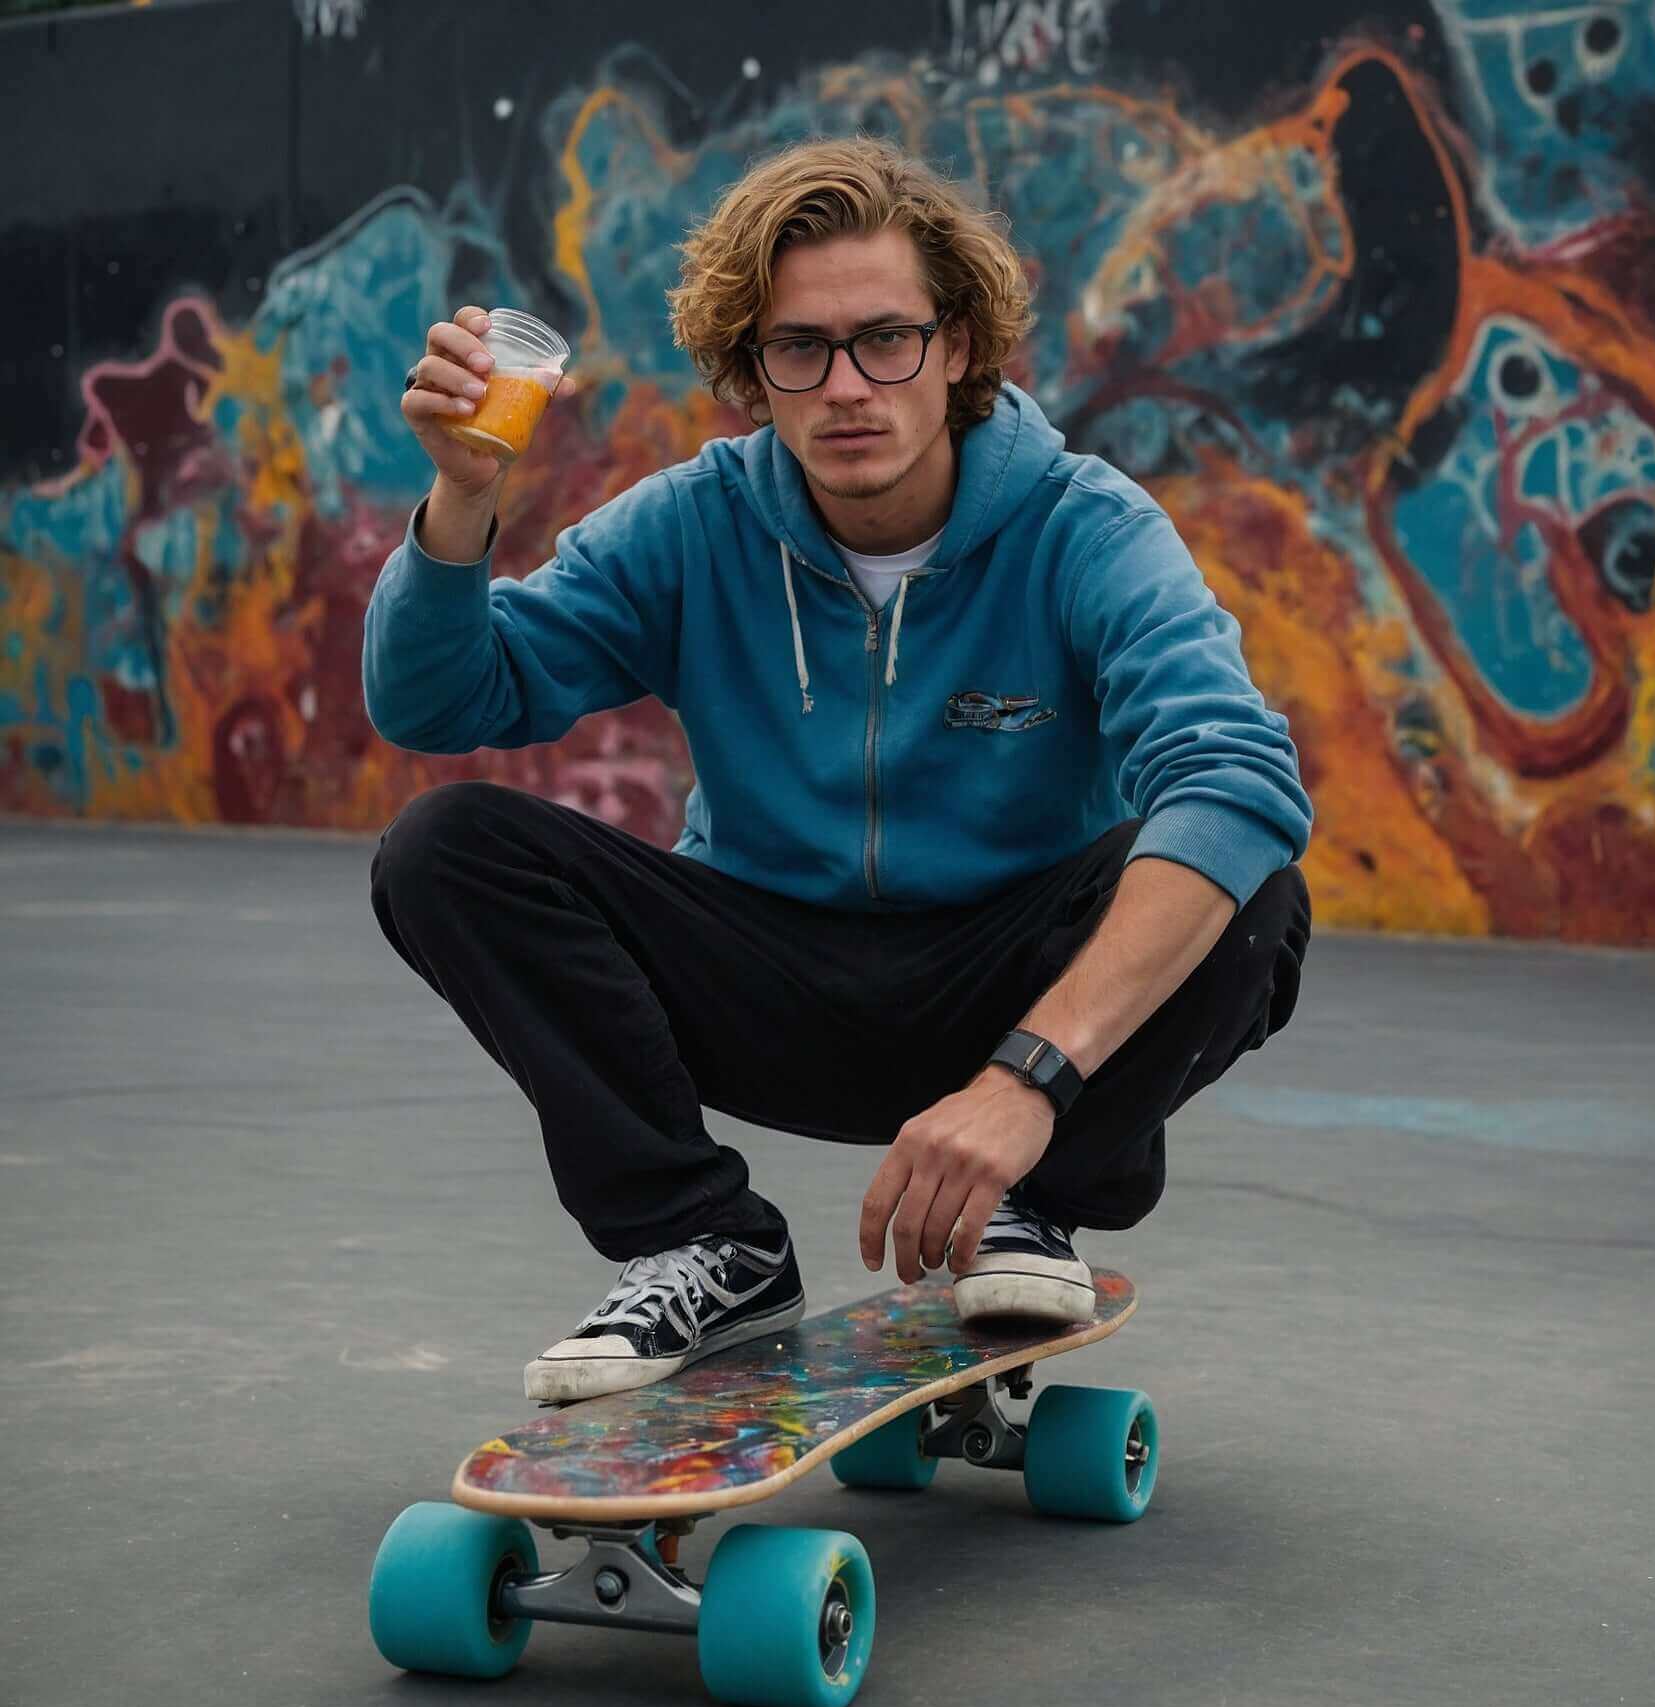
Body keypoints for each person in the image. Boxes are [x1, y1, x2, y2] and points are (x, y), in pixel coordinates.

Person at [363, 137, 1313, 1403]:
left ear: (960, 342)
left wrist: (1030, 1078)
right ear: (751, 373)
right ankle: (703, 1238)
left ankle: (1032, 1205)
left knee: (1250, 888)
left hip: (1012, 989)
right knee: (448, 848)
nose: (846, 386)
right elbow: (441, 698)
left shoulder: (1082, 528)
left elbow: (1235, 772)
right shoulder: (698, 523)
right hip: (774, 978)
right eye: (798, 350)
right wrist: (462, 497)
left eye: (886, 338)